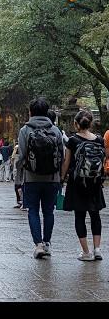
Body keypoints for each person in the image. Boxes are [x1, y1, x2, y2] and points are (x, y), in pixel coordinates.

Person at [16, 97, 63, 259]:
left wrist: (18, 177)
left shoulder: (25, 130)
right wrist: (60, 178)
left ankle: (38, 244)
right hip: (52, 178)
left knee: (33, 211)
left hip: (31, 177)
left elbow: (21, 157)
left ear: (31, 112)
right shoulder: (55, 131)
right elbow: (61, 156)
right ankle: (47, 242)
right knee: (49, 211)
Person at [60, 109, 105, 261]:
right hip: (95, 182)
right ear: (90, 123)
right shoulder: (99, 140)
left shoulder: (72, 141)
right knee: (95, 215)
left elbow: (66, 162)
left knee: (80, 215)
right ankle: (97, 250)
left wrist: (62, 177)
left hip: (77, 182)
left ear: (76, 123)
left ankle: (86, 252)